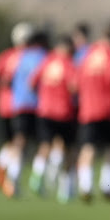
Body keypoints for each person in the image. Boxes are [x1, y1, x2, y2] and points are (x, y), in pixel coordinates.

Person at [75, 24, 110, 202]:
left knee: (88, 146)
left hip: (88, 109)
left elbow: (74, 83)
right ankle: (107, 186)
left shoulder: (87, 55)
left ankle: (85, 186)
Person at [29, 35, 78, 201]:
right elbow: (74, 87)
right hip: (64, 112)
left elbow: (32, 82)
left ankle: (37, 176)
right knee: (69, 149)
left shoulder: (47, 61)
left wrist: (44, 95)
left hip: (44, 111)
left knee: (45, 146)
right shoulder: (69, 65)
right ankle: (65, 191)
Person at [0, 22, 33, 191]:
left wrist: (1, 90)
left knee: (10, 143)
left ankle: (1, 168)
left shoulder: (5, 56)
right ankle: (11, 181)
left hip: (4, 106)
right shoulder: (29, 58)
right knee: (20, 142)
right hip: (20, 106)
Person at [2, 30, 49, 198]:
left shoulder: (17, 57)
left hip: (19, 105)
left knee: (19, 141)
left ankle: (12, 177)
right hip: (38, 106)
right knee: (44, 144)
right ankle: (36, 179)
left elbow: (5, 79)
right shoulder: (45, 57)